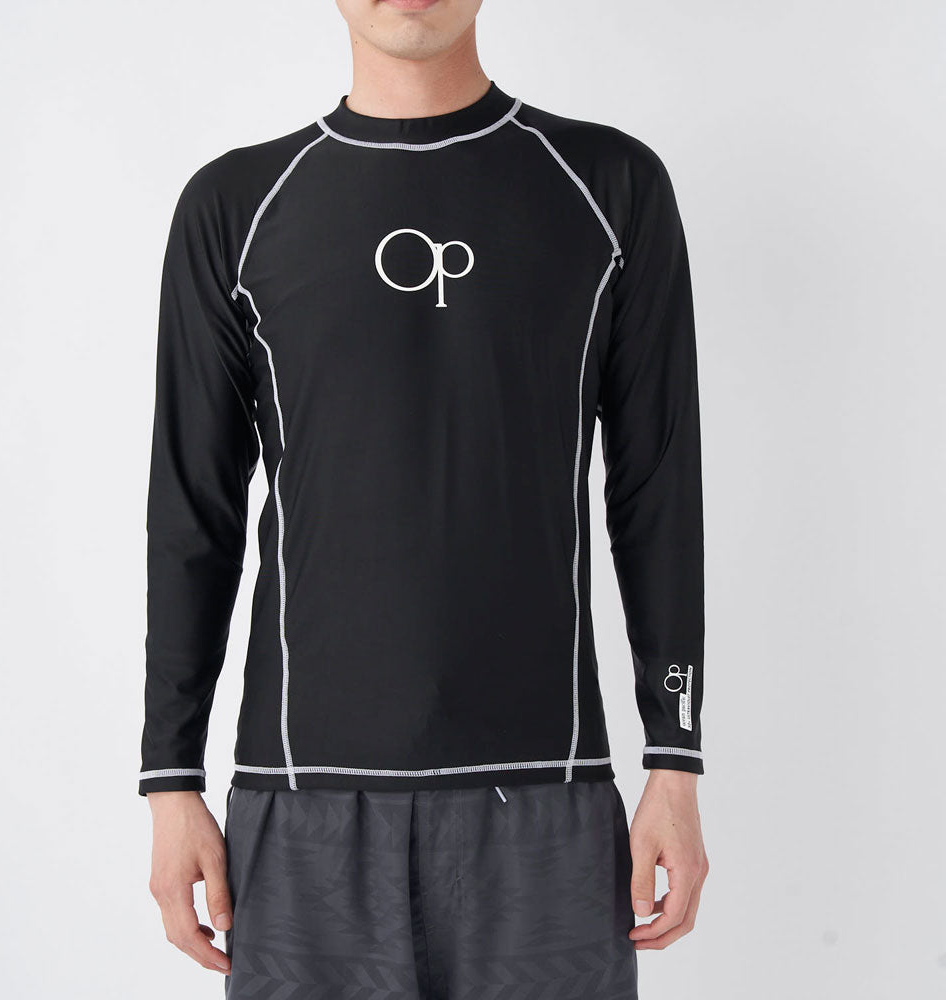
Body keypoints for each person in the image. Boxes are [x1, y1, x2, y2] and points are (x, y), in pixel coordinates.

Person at [140, 1, 709, 996]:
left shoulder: (609, 188)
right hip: (302, 808)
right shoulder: (236, 206)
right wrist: (170, 779)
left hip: (546, 801)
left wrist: (676, 757)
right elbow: (194, 510)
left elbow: (658, 486)